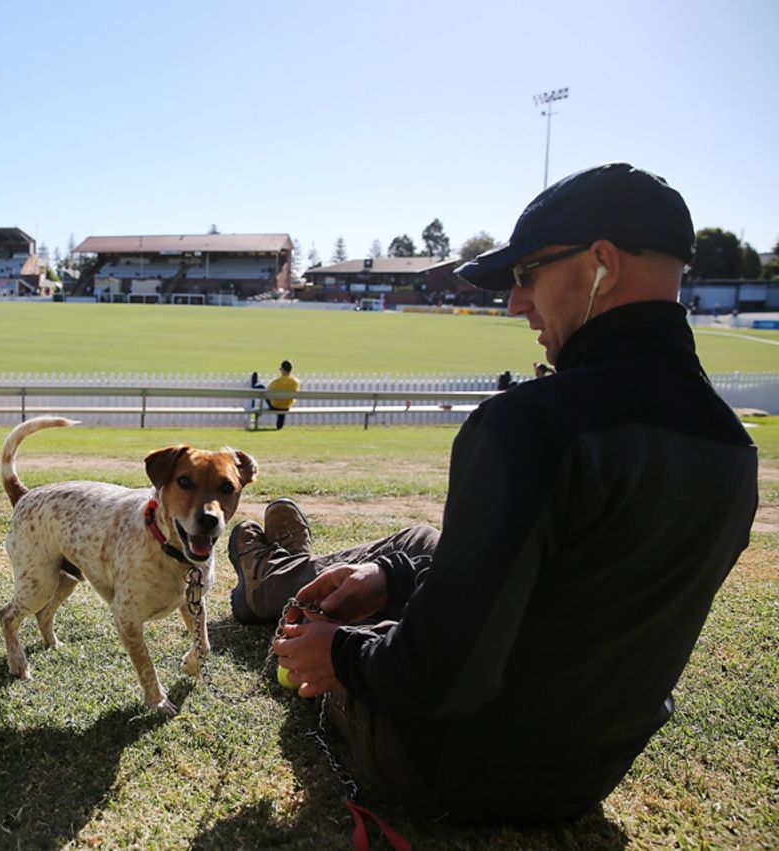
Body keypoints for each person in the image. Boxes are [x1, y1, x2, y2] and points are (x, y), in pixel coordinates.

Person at [229, 163, 758, 823]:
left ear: (601, 264)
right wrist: (391, 577)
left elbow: (439, 676)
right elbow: (573, 585)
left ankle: (263, 570)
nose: (516, 302)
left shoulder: (532, 425)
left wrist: (337, 651)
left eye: (528, 274)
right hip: (582, 775)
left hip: (444, 762)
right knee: (408, 549)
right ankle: (309, 568)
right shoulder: (735, 447)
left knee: (331, 610)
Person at [266, 359, 299, 430]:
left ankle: (255, 384)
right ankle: (279, 426)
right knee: (284, 401)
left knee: (262, 389)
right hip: (287, 405)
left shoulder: (276, 382)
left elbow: (267, 391)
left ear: (282, 369)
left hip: (274, 405)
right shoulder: (295, 382)